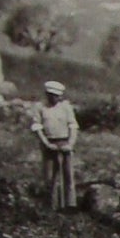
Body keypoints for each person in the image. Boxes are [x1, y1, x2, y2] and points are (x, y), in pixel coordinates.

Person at [30, 81, 78, 210]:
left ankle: (70, 205)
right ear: (47, 94)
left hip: (65, 142)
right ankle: (51, 206)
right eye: (52, 95)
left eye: (57, 96)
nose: (55, 98)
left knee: (68, 175)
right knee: (50, 176)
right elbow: (37, 127)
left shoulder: (66, 107)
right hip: (49, 143)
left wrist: (70, 144)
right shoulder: (40, 107)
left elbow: (73, 126)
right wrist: (46, 144)